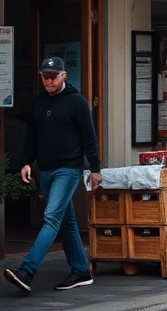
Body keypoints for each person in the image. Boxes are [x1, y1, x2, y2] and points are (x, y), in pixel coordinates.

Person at [3, 57, 102, 294]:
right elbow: (31, 137)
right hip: (44, 169)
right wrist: (26, 163)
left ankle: (27, 270)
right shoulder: (37, 103)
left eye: (53, 76)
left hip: (68, 169)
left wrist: (95, 169)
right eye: (44, 76)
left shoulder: (77, 102)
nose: (48, 80)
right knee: (66, 220)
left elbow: (89, 136)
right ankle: (80, 271)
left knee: (51, 218)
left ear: (64, 75)